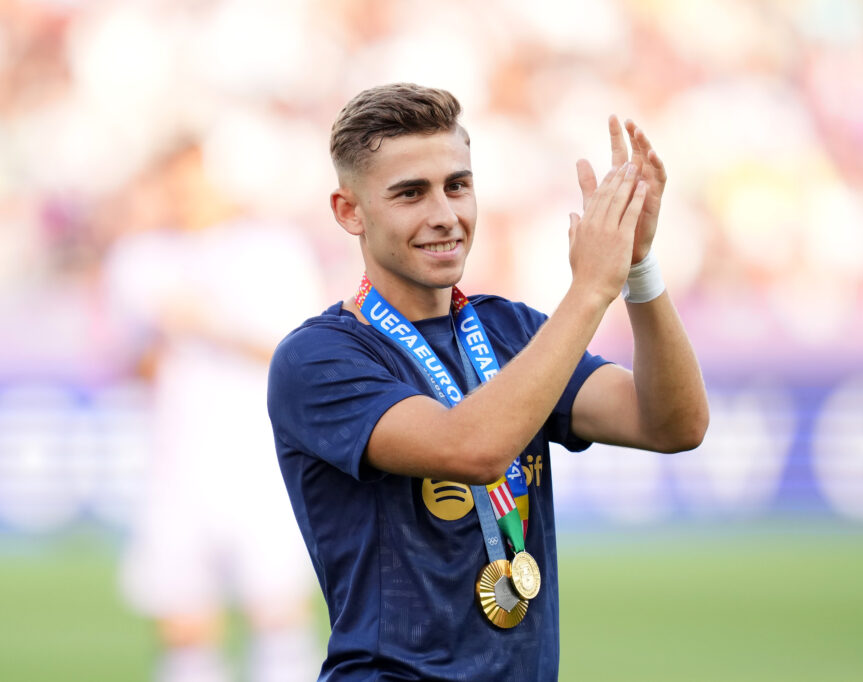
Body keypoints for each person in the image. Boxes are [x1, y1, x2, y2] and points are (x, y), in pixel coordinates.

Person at [267, 83, 709, 681]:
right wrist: (588, 290)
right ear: (350, 212)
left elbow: (672, 424)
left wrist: (637, 269)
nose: (444, 215)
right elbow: (470, 448)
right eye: (409, 194)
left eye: (458, 185)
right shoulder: (319, 358)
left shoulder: (512, 331)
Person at [106, 143, 323, 682]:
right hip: (177, 463)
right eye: (172, 184)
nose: (182, 196)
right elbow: (127, 364)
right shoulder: (140, 258)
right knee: (184, 626)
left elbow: (298, 355)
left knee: (277, 616)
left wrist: (209, 324)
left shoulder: (271, 251)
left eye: (192, 181)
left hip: (261, 460)